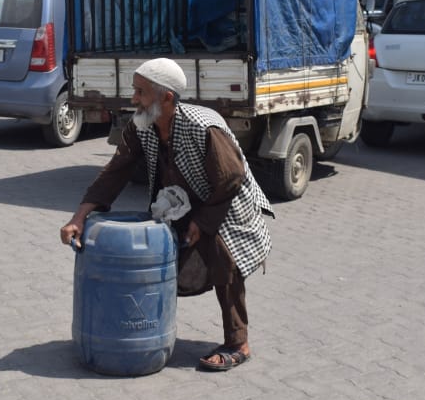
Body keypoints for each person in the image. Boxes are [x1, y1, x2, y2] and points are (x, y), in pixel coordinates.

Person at [60, 57, 273, 372]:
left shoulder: (204, 125)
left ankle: (237, 343)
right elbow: (114, 172)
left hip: (225, 203)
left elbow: (231, 177)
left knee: (223, 263)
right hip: (181, 202)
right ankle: (151, 332)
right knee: (161, 260)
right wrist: (79, 217)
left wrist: (203, 222)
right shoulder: (143, 124)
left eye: (141, 92)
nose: (134, 99)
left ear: (167, 98)